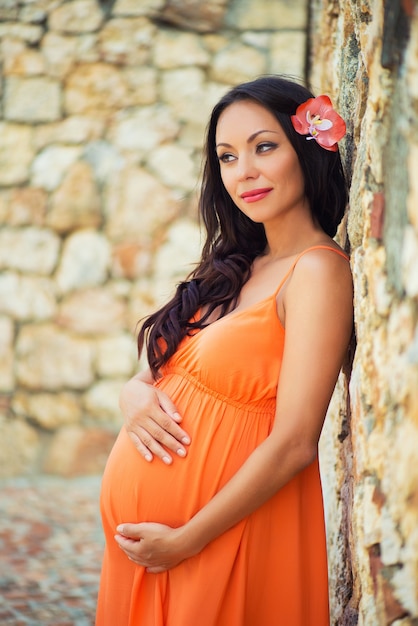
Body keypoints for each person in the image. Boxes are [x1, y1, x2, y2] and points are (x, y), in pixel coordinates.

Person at [96, 75, 353, 626]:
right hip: (157, 556)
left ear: (306, 150)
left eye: (264, 147)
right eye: (228, 157)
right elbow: (157, 372)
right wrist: (132, 393)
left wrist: (186, 541)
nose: (245, 172)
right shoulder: (234, 266)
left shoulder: (318, 272)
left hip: (221, 542)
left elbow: (294, 442)